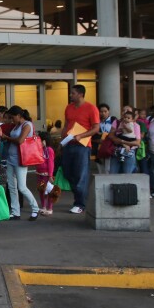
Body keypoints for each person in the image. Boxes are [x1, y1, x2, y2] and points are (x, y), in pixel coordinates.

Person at [60, 84, 100, 214]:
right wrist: (61, 142)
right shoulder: (69, 107)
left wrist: (81, 136)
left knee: (80, 175)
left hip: (82, 146)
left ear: (80, 94)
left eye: (73, 93)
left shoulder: (91, 108)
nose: (71, 95)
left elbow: (96, 128)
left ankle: (80, 203)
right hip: (68, 144)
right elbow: (66, 125)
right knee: (67, 173)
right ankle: (81, 198)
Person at [0, 106, 39, 220]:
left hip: (21, 159)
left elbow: (20, 141)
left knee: (21, 187)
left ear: (19, 115)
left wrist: (6, 137)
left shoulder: (27, 125)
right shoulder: (16, 125)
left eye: (12, 117)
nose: (11, 120)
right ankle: (15, 211)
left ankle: (35, 208)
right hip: (11, 158)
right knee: (11, 186)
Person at [34, 131, 56, 215]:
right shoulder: (40, 149)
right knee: (41, 191)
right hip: (39, 173)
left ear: (44, 141)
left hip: (47, 175)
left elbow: (51, 162)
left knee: (49, 191)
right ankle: (43, 206)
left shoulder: (49, 150)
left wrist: (50, 175)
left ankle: (50, 208)